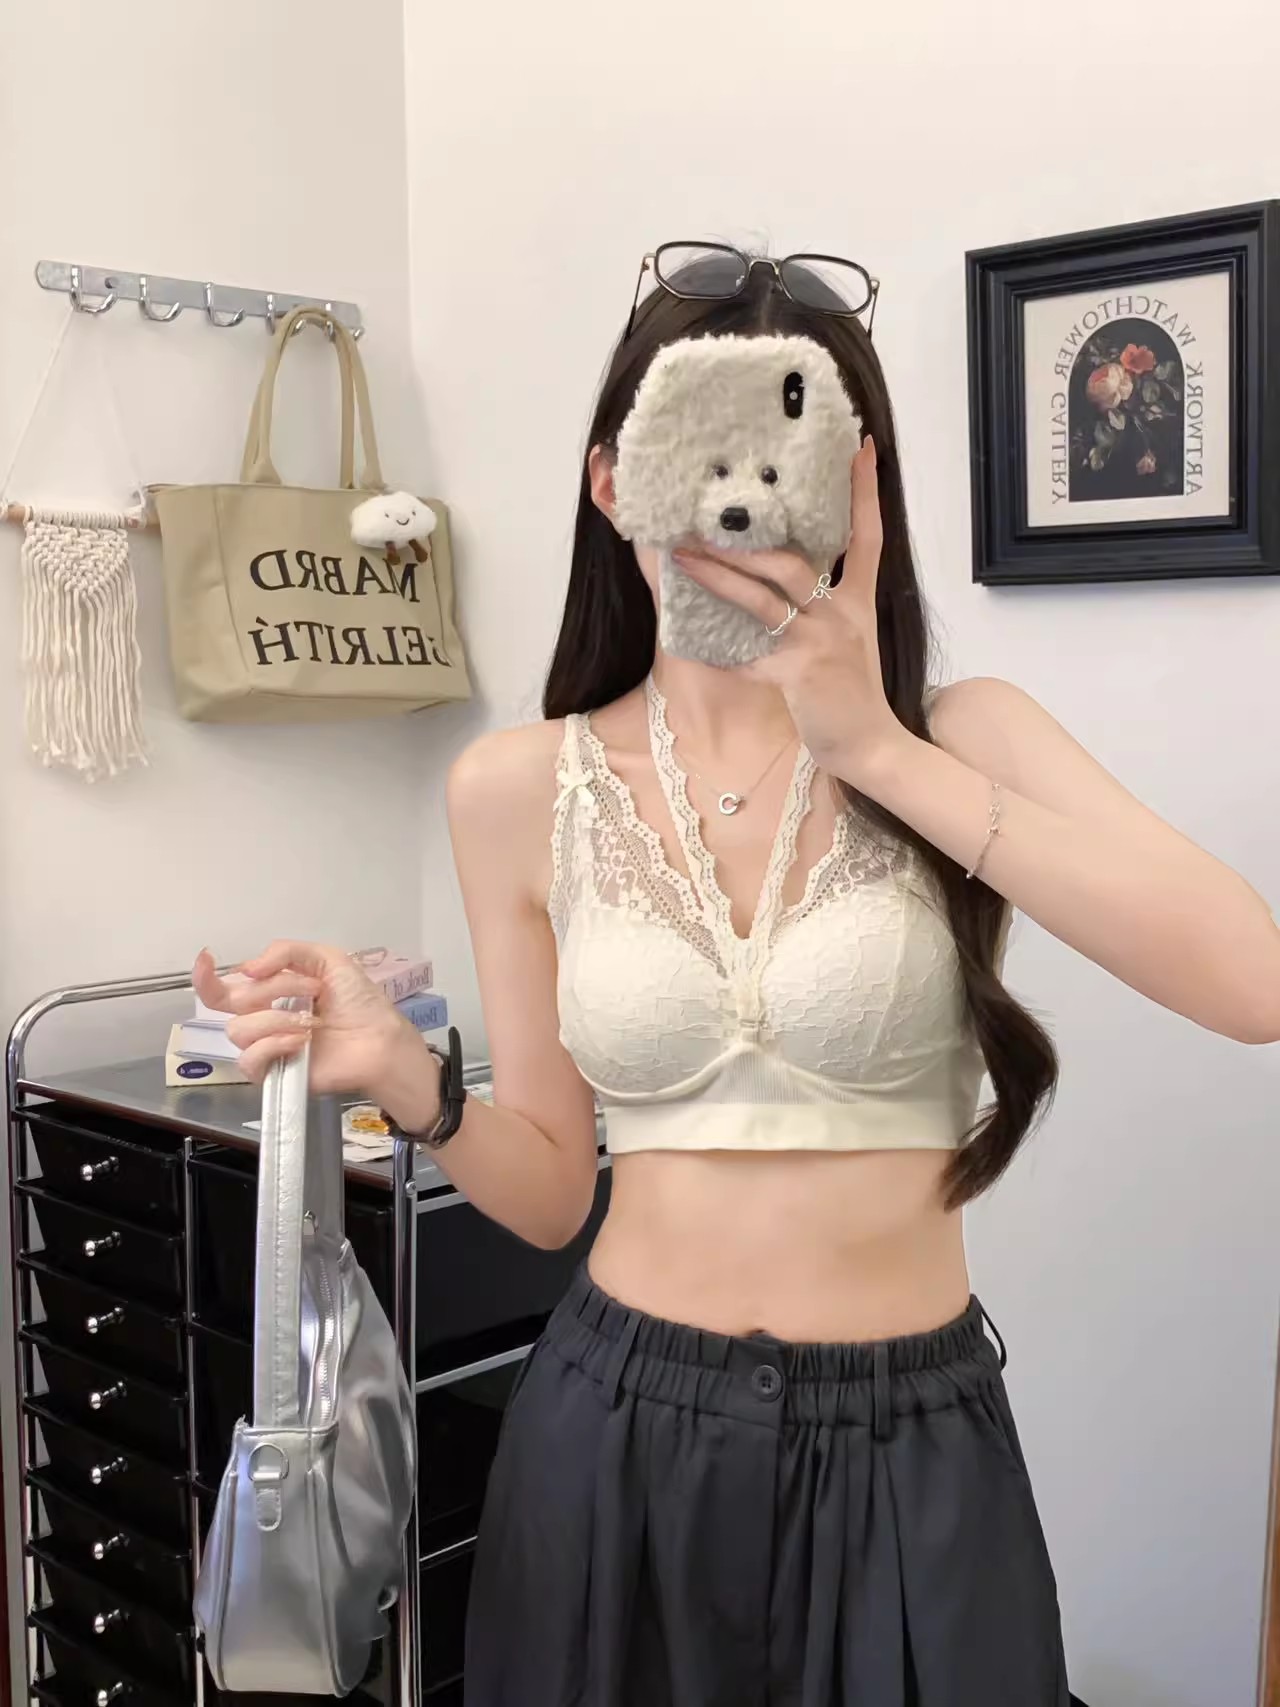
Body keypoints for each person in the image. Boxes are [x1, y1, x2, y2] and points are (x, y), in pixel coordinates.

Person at [194, 245, 1280, 1707]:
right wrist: (413, 1080)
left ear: (860, 484)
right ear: (611, 480)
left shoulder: (964, 738)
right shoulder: (518, 786)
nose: (739, 501)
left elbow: (1252, 982)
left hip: (912, 1448)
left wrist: (876, 747)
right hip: (612, 1444)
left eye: (791, 448)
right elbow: (556, 1193)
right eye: (693, 445)